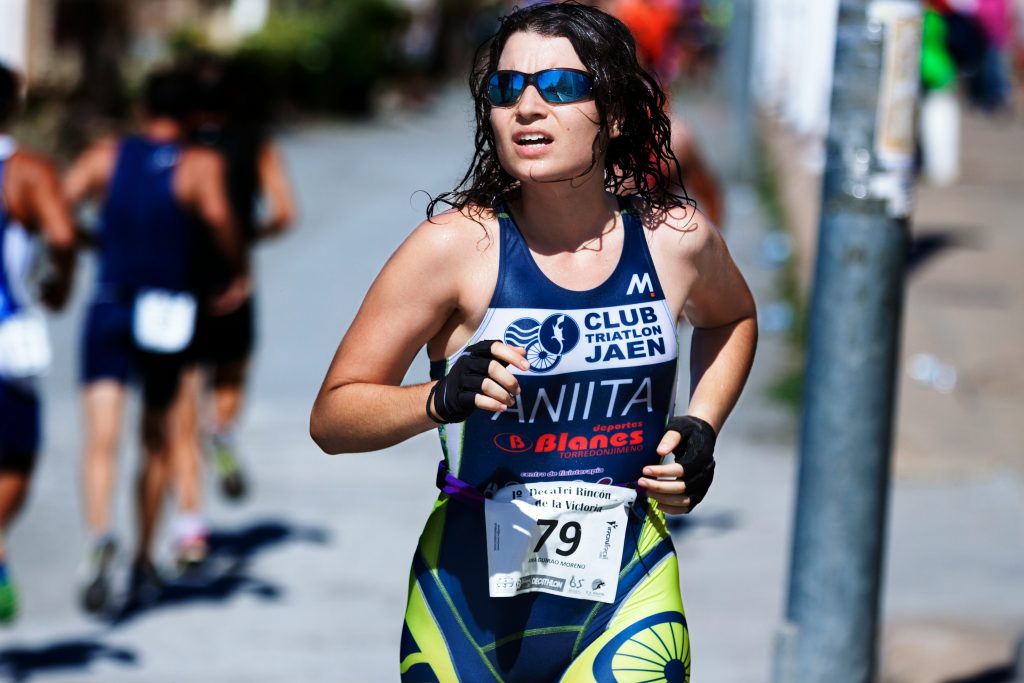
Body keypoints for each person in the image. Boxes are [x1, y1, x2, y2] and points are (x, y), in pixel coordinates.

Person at [311, 4, 756, 680]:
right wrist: (438, 398)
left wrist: (701, 424)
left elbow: (733, 317)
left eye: (559, 86)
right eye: (505, 87)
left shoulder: (676, 239)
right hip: (466, 609)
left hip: (627, 593)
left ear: (614, 113)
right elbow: (332, 417)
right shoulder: (452, 249)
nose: (526, 107)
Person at [64, 68, 246, 614]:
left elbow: (60, 208)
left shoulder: (105, 156)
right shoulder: (199, 163)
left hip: (110, 303)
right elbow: (219, 218)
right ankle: (143, 557)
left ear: (143, 108)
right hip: (169, 310)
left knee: (101, 438)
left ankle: (100, 535)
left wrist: (89, 240)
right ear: (192, 115)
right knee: (157, 440)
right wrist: (233, 270)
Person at [164, 57, 296, 573]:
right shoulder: (255, 143)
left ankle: (190, 528)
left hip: (177, 285)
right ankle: (222, 429)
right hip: (234, 284)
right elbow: (284, 213)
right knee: (231, 374)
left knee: (179, 413)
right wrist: (245, 238)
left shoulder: (177, 147)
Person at [0, 63, 76, 624]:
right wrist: (60, 284)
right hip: (7, 338)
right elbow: (63, 234)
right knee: (16, 460)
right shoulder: (24, 171)